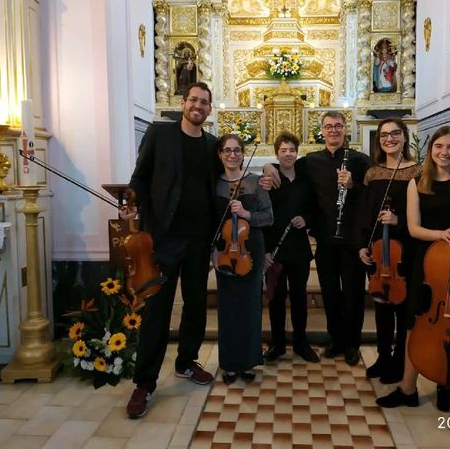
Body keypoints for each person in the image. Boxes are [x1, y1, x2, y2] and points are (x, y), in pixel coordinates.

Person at [122, 82, 218, 419]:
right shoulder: (159, 134)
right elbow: (140, 177)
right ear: (183, 102)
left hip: (199, 239)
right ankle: (145, 382)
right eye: (194, 100)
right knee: (157, 311)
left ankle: (186, 361)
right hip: (163, 237)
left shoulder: (212, 144)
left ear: (209, 109)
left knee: (195, 304)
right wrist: (131, 201)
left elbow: (221, 183)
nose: (198, 106)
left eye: (204, 102)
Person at [375, 125, 450, 412]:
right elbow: (413, 228)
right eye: (439, 147)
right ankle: (407, 389)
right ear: (431, 150)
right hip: (426, 262)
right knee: (416, 324)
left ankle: (446, 381)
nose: (444, 152)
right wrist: (440, 234)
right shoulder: (418, 182)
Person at [263, 111, 372, 366]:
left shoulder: (360, 160)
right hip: (325, 238)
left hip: (351, 240)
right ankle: (336, 340)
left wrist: (354, 185)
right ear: (321, 130)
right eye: (328, 126)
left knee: (353, 294)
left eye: (338, 126)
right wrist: (269, 166)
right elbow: (284, 166)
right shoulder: (310, 161)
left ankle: (352, 344)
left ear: (346, 129)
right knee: (331, 293)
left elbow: (371, 197)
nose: (333, 130)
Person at [357, 118, 420, 383]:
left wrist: (399, 221)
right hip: (379, 249)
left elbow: (423, 214)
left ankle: (398, 362)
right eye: (384, 135)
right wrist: (362, 244)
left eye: (395, 133)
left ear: (405, 137)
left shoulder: (417, 172)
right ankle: (383, 357)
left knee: (402, 309)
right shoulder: (372, 172)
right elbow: (364, 212)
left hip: (405, 248)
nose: (389, 139)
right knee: (381, 308)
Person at [213, 134, 273, 384]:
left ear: (243, 154)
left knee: (250, 306)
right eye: (227, 150)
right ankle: (228, 363)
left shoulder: (256, 182)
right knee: (227, 308)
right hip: (224, 251)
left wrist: (247, 213)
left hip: (251, 250)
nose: (232, 154)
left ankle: (248, 361)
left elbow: (269, 217)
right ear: (220, 154)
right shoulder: (213, 184)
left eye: (237, 150)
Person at [262, 132, 319, 364]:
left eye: (292, 150)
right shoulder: (269, 179)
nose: (288, 154)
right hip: (275, 248)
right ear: (277, 153)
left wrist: (306, 219)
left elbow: (316, 208)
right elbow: (263, 216)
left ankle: (300, 343)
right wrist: (265, 250)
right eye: (283, 150)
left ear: (298, 152)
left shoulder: (306, 178)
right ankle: (277, 344)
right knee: (276, 298)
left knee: (298, 297)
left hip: (299, 249)